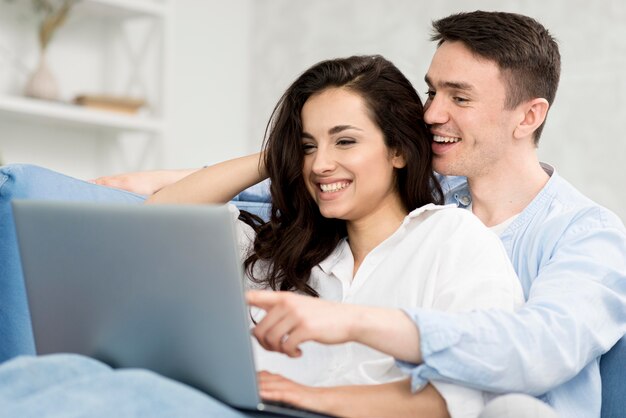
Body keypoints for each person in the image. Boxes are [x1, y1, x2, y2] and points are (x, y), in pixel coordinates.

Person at [93, 10, 626, 418]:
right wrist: (257, 160)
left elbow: (535, 352)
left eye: (459, 97)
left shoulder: (584, 235)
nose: (432, 113)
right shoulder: (423, 193)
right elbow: (297, 192)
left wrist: (348, 324)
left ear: (529, 116)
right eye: (431, 90)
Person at [0, 54, 523, 418]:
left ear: (398, 150)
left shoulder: (452, 238)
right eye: (308, 145)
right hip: (236, 405)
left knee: (126, 392)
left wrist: (312, 399)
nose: (321, 164)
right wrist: (273, 157)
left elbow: (461, 395)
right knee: (55, 372)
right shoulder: (278, 246)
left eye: (345, 140)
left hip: (304, 411)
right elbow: (152, 220)